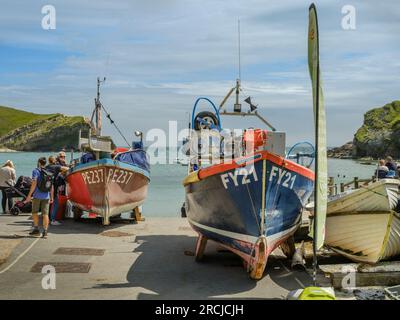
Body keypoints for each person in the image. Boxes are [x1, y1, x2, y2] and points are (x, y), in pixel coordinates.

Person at [25, 157, 54, 238]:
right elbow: (52, 186)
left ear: (39, 163)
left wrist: (29, 195)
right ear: (45, 163)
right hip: (46, 196)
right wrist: (52, 197)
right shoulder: (49, 172)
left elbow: (34, 183)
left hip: (37, 195)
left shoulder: (36, 171)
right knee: (45, 214)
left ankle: (36, 229)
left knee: (35, 212)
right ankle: (45, 231)